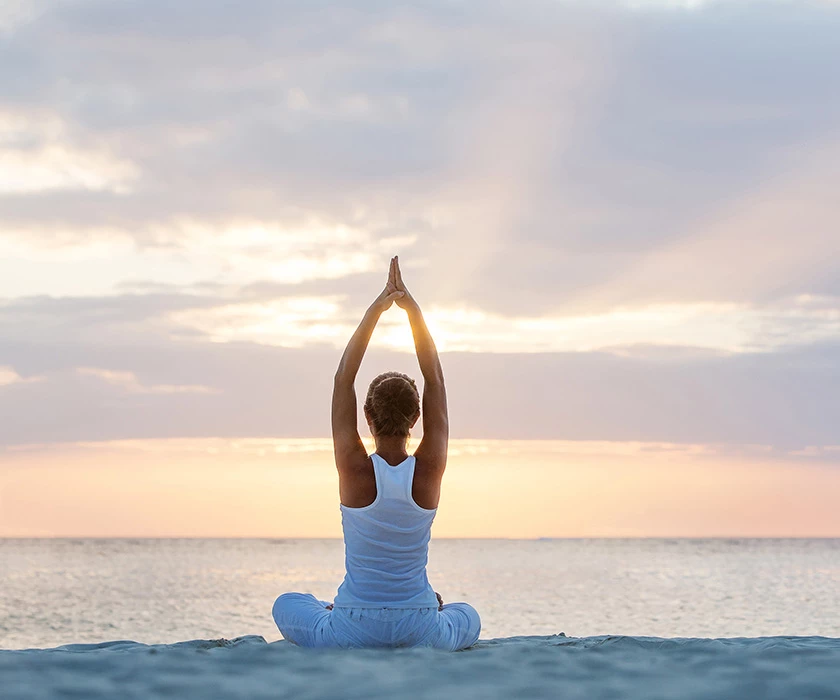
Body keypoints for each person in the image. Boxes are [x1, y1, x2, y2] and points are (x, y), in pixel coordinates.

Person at [272, 256, 481, 650]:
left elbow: (342, 378)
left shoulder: (353, 469)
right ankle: (428, 606)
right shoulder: (429, 469)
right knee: (468, 615)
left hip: (353, 625)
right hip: (421, 624)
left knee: (287, 603)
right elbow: (434, 376)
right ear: (417, 418)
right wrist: (412, 311)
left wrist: (376, 310)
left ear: (366, 416)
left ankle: (332, 609)